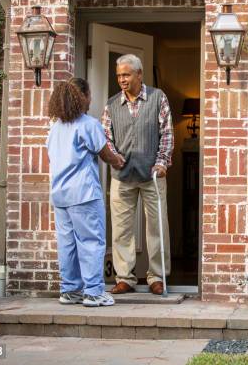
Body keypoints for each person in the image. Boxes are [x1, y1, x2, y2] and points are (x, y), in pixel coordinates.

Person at [47, 78, 125, 307]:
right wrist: (118, 160)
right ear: (81, 97)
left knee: (67, 244)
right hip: (83, 194)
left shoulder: (54, 126)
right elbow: (104, 153)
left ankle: (70, 290)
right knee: (91, 241)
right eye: (89, 95)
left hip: (60, 194)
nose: (91, 99)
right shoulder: (88, 124)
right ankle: (93, 292)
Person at [101, 54, 173, 295]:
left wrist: (162, 162)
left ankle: (157, 277)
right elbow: (106, 138)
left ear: (139, 74)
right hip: (122, 176)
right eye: (119, 75)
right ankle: (125, 278)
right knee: (121, 229)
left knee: (157, 227)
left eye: (126, 75)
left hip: (152, 175)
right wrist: (113, 156)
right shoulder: (111, 105)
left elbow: (167, 134)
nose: (122, 79)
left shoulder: (157, 98)